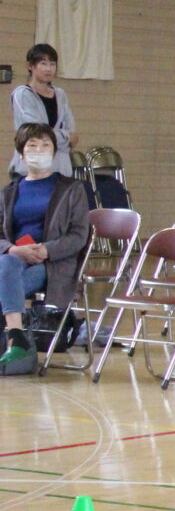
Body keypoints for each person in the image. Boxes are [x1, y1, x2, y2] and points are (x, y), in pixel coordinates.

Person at [0, 124, 90, 364]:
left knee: (6, 279)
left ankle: (13, 335)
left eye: (45, 145)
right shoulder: (9, 191)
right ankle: (16, 335)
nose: (38, 149)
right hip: (15, 258)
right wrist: (13, 248)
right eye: (32, 145)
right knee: (7, 262)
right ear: (21, 153)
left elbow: (79, 235)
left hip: (53, 263)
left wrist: (46, 249)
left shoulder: (72, 189)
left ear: (54, 152)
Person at [10, 44, 77, 178]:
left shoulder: (60, 94)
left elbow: (73, 134)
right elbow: (36, 133)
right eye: (43, 63)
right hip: (29, 170)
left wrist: (64, 136)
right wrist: (65, 137)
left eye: (52, 64)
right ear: (30, 66)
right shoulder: (22, 94)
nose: (48, 69)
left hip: (59, 169)